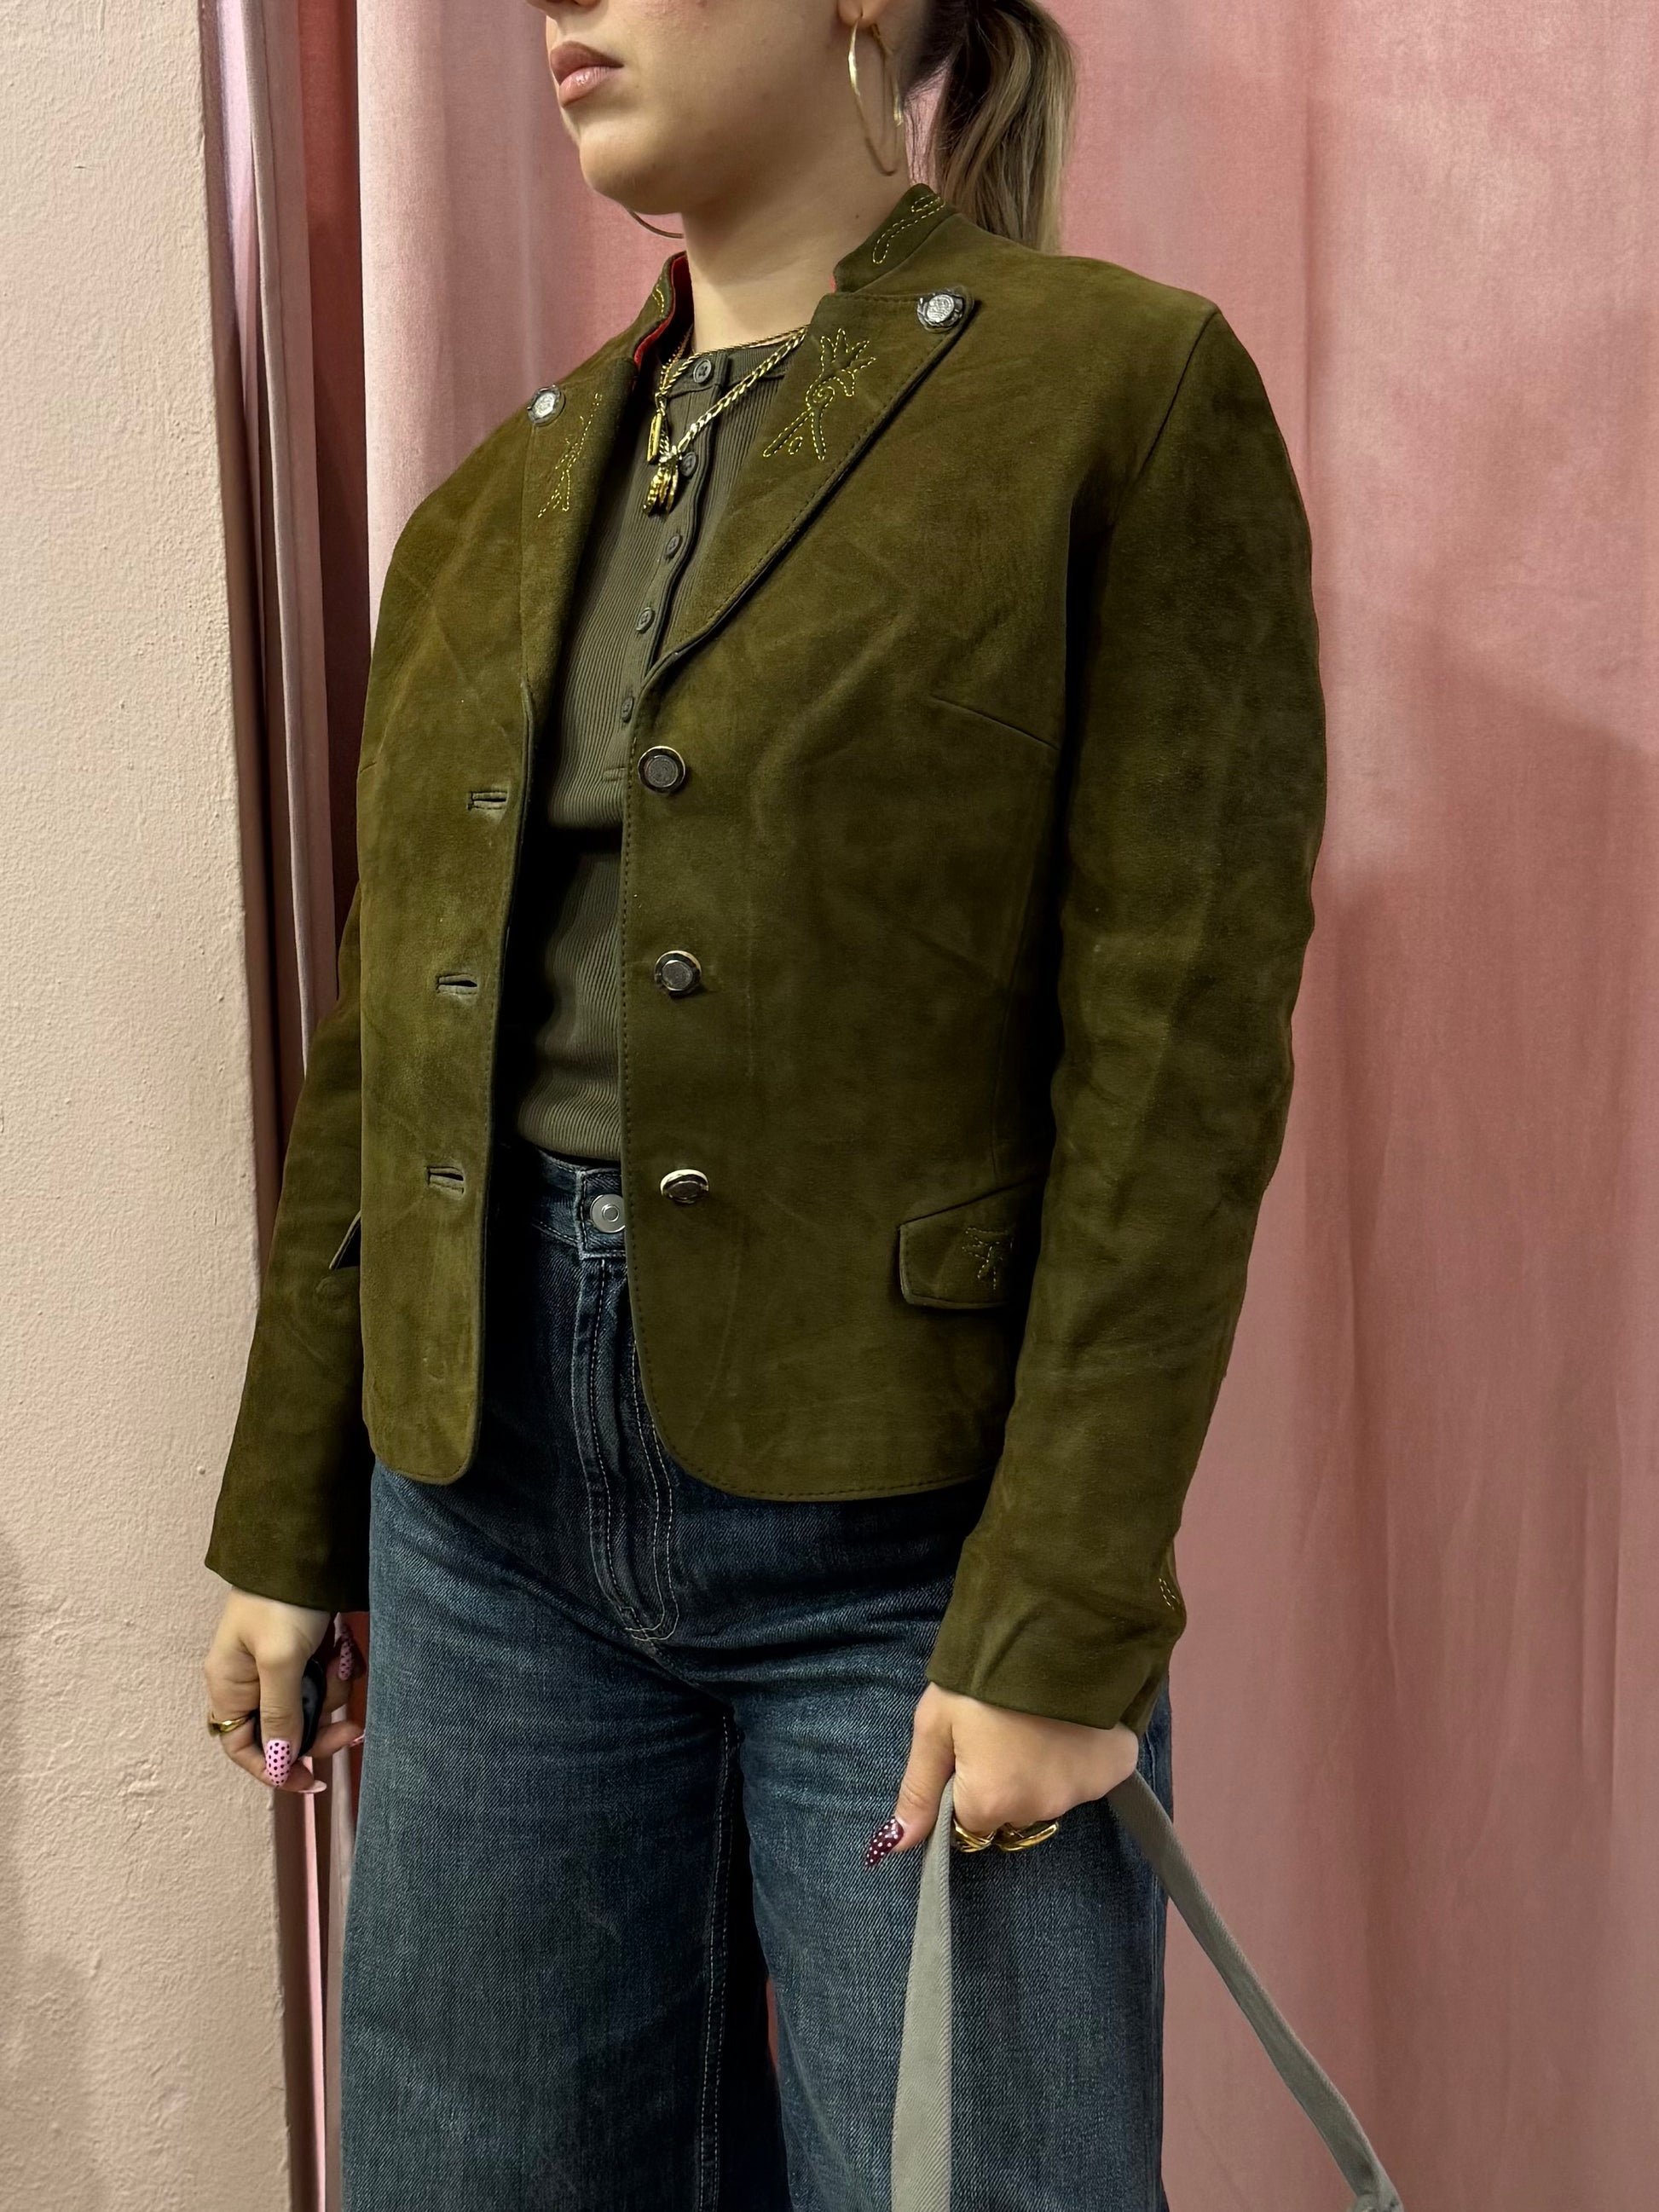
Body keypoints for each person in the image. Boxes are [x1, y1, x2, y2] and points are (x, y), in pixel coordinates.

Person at [201, 0, 1325, 2203]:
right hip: (486, 1520)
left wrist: (1064, 1604)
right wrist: (284, 1511)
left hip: (909, 1538)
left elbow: (1177, 1056)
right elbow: (388, 1041)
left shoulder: (1110, 398)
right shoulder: (495, 500)